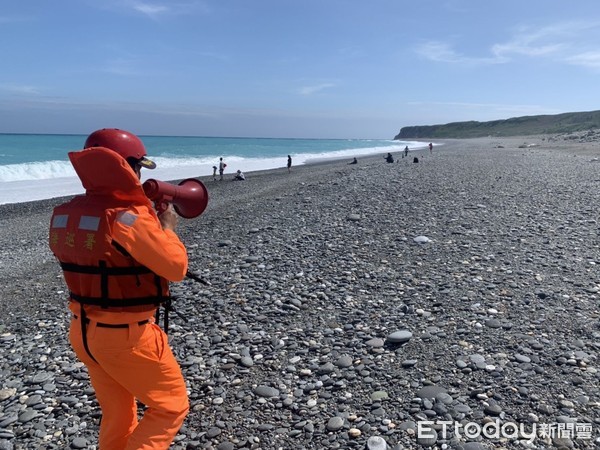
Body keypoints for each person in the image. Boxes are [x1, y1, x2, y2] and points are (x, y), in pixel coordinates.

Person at [48, 128, 189, 450]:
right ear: (130, 167)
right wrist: (166, 228)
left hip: (83, 331)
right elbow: (175, 268)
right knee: (170, 407)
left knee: (118, 411)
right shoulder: (129, 217)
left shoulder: (68, 212)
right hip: (128, 337)